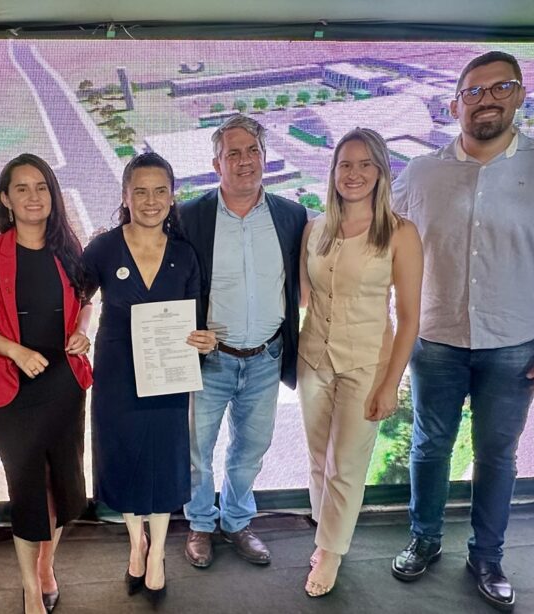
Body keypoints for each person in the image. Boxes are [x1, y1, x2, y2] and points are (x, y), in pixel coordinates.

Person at [391, 51, 534, 611]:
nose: (487, 100)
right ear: (455, 104)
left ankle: (487, 556)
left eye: (500, 87)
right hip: (435, 343)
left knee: (498, 456)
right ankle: (424, 540)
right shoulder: (420, 172)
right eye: (474, 91)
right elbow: (377, 238)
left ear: (520, 94)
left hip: (514, 348)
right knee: (430, 446)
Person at [82, 152, 217, 606]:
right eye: (140, 191)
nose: (151, 200)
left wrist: (204, 340)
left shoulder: (184, 254)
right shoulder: (103, 248)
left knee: (163, 461)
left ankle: (156, 552)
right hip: (117, 374)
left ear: (173, 196)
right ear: (125, 196)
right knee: (124, 458)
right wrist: (78, 331)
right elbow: (77, 297)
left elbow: (196, 319)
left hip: (167, 376)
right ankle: (135, 543)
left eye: (160, 191)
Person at [0, 153, 93, 614]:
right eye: (21, 188)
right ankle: (30, 590)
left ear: (53, 195)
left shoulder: (69, 248)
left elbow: (85, 300)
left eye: (41, 187)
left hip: (63, 385)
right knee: (27, 491)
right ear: (5, 198)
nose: (33, 196)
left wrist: (83, 330)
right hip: (11, 389)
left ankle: (46, 567)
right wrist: (15, 351)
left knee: (63, 487)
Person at [297, 128, 423, 597]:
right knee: (318, 458)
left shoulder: (400, 233)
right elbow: (303, 297)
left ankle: (331, 550)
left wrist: (391, 384)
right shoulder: (315, 228)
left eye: (365, 164)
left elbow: (409, 319)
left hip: (366, 363)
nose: (354, 173)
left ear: (381, 172)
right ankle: (324, 533)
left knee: (346, 464)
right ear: (333, 172)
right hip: (313, 358)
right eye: (345, 164)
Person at [179, 115, 308, 568]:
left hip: (266, 358)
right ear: (217, 164)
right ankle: (200, 523)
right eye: (232, 153)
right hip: (210, 360)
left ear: (265, 158)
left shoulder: (291, 216)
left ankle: (236, 521)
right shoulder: (189, 217)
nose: (244, 160)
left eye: (253, 150)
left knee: (250, 450)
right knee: (196, 452)